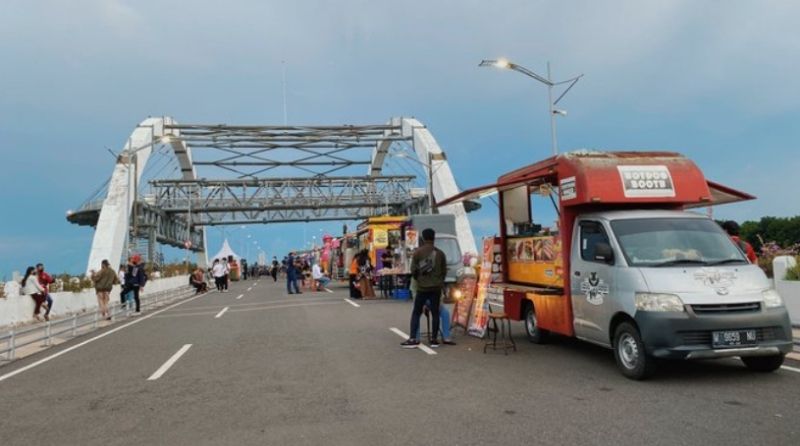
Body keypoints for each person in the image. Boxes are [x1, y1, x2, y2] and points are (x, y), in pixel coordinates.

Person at [402, 228, 447, 348]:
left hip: (422, 288)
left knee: (416, 312)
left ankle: (412, 339)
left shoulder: (418, 252)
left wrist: (420, 279)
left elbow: (413, 271)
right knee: (435, 313)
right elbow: (444, 271)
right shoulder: (440, 253)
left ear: (423, 237)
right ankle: (434, 340)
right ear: (434, 237)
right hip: (436, 288)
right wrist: (438, 281)